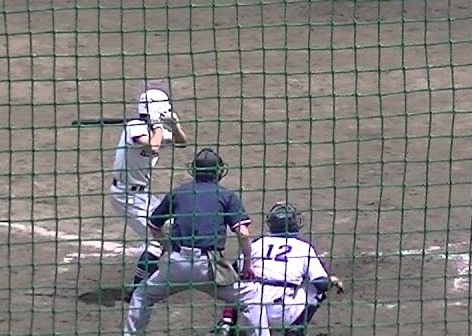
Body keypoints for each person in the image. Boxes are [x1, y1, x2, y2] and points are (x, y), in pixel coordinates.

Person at [122, 148, 267, 336]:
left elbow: (154, 225)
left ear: (194, 170)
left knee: (142, 295)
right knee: (252, 297)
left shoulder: (178, 193)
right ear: (218, 171)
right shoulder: (226, 195)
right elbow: (243, 233)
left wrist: (168, 248)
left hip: (176, 265)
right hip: (208, 268)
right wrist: (247, 263)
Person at [216, 202, 346, 336]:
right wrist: (332, 281)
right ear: (294, 224)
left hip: (252, 313)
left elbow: (232, 271)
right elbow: (321, 285)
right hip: (283, 313)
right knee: (316, 287)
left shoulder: (257, 244)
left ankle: (227, 322)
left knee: (237, 281)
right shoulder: (303, 247)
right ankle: (296, 329)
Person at [109, 84, 188, 294]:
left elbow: (182, 142)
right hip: (125, 195)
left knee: (171, 227)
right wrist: (159, 126)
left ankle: (157, 272)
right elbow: (152, 146)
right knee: (155, 240)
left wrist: (175, 126)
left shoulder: (153, 130)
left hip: (141, 194)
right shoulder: (134, 127)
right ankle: (137, 289)